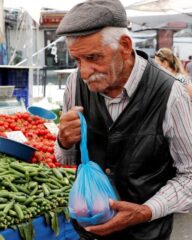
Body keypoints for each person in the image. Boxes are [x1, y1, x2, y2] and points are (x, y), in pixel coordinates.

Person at [54, 0, 192, 239]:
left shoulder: (170, 92)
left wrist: (145, 211)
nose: (84, 72)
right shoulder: (75, 84)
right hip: (90, 231)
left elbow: (189, 175)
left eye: (94, 57)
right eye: (77, 61)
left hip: (145, 232)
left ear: (125, 46)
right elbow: (67, 159)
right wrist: (63, 142)